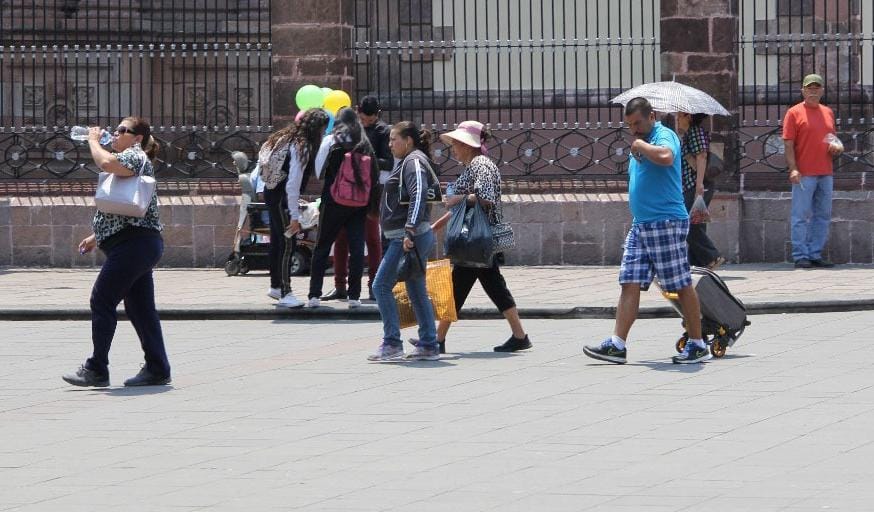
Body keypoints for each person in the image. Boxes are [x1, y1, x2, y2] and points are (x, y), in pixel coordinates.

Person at [583, 97, 708, 365]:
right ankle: (617, 344)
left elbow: (666, 157)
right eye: (629, 125)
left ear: (652, 116)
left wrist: (641, 144)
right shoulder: (641, 141)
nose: (633, 130)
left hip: (665, 222)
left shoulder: (665, 135)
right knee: (629, 281)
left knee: (679, 283)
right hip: (641, 225)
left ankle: (698, 344)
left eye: (637, 123)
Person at [62, 117, 171, 387]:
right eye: (118, 129)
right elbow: (123, 208)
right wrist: (96, 236)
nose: (118, 133)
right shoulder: (130, 158)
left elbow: (106, 163)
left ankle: (97, 368)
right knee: (140, 308)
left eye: (125, 131)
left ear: (138, 138)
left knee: (102, 299)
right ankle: (158, 367)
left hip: (133, 245)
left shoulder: (134, 155)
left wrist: (92, 141)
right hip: (137, 244)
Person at [425, 120, 531, 354]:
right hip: (479, 239)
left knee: (459, 287)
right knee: (493, 287)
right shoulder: (477, 164)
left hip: (476, 238)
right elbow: (462, 208)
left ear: (466, 144)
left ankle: (436, 339)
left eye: (456, 144)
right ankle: (519, 335)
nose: (453, 148)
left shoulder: (480, 164)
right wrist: (438, 225)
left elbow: (485, 197)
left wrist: (458, 199)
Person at [367, 121, 440, 361]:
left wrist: (409, 230)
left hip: (408, 237)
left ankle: (392, 344)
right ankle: (429, 343)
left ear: (408, 141)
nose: (389, 145)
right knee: (416, 289)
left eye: (393, 139)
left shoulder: (413, 162)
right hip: (409, 235)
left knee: (380, 286)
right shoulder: (411, 160)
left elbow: (418, 193)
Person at [307, 108, 380, 308]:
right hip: (359, 204)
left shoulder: (331, 141)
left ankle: (314, 294)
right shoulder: (364, 143)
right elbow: (374, 175)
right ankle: (354, 296)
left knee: (322, 246)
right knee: (357, 249)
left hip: (333, 201)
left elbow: (319, 171)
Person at [322, 95, 391, 302]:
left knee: (372, 238)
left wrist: (361, 160)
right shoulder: (349, 129)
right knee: (341, 237)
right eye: (364, 117)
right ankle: (340, 286)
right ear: (358, 111)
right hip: (346, 189)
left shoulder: (383, 131)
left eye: (372, 118)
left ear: (377, 115)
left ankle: (374, 285)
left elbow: (387, 162)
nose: (368, 121)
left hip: (371, 189)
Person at [258, 109, 329, 308]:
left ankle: (275, 286)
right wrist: (294, 216)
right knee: (288, 242)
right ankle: (285, 292)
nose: (323, 133)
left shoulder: (284, 137)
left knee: (277, 241)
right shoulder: (301, 146)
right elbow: (293, 184)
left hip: (271, 192)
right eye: (323, 129)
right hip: (282, 198)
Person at [783, 73, 843, 269]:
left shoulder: (828, 112)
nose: (813, 91)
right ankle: (800, 255)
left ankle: (815, 253)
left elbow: (832, 139)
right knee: (800, 215)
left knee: (823, 215)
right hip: (804, 173)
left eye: (816, 88)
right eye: (809, 88)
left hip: (825, 171)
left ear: (822, 91)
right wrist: (793, 169)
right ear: (803, 91)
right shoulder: (793, 113)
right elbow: (788, 144)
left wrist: (836, 147)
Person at [676, 112, 724, 269]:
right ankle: (697, 263)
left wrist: (699, 185)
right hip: (694, 185)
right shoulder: (690, 133)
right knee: (697, 223)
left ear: (688, 117)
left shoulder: (695, 131)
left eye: (680, 116)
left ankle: (712, 257)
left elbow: (701, 156)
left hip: (696, 186)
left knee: (688, 225)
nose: (677, 118)